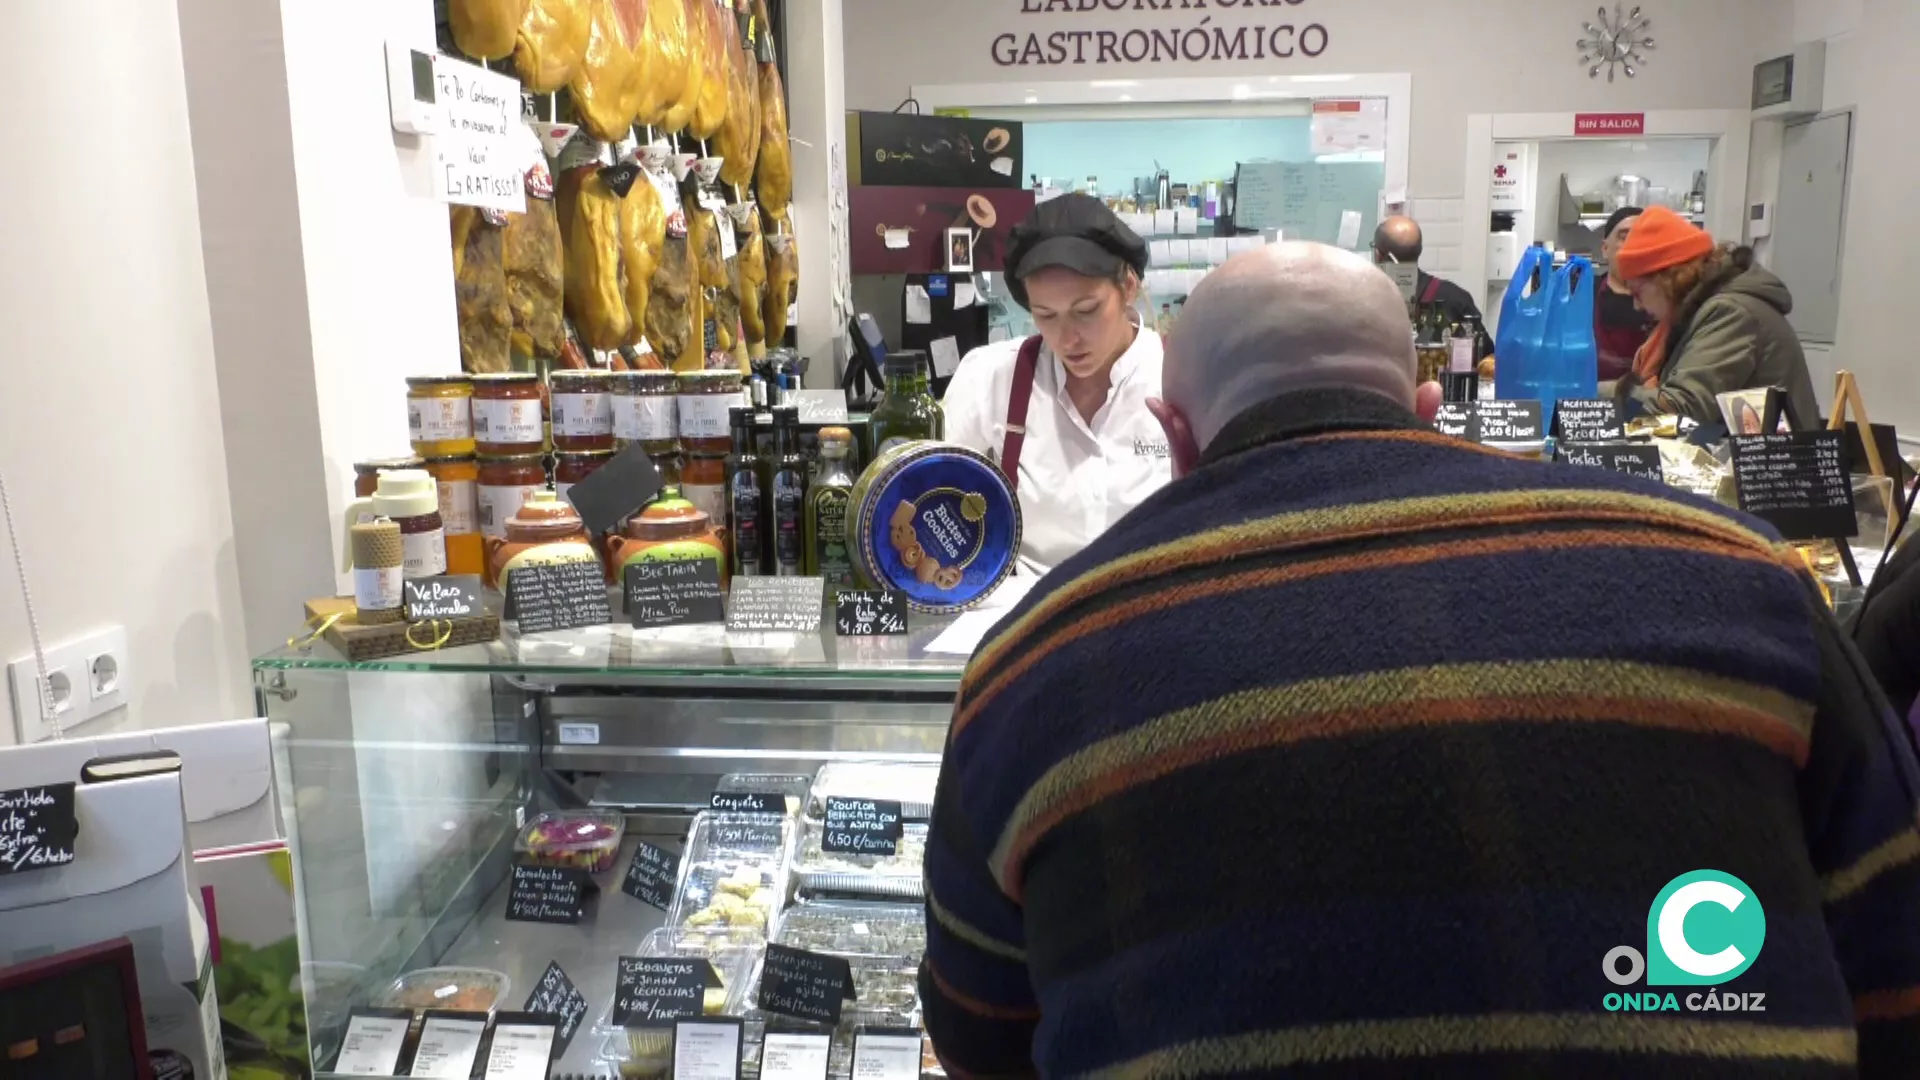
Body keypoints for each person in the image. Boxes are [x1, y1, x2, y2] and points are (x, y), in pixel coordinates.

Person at [921, 240, 1920, 1078]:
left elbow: (981, 1035)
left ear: (1175, 434)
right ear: (1429, 399)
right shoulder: (1738, 573)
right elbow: (1893, 945)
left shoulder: (1035, 659)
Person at [943, 194, 1170, 576]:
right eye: (1045, 315)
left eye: (1086, 311)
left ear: (1128, 286)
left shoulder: (1179, 376)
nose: (1067, 339)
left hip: (1153, 610)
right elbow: (931, 494)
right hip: (1032, 615)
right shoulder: (994, 376)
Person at [1612, 206, 1820, 427]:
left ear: (1665, 279)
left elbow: (1684, 408)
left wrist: (1594, 395)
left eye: (1637, 292)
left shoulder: (1730, 312)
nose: (1636, 305)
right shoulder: (1717, 307)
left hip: (1775, 458)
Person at [1372, 214, 1491, 356]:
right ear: (1420, 251)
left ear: (1378, 255)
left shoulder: (1364, 300)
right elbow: (1487, 358)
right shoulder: (1456, 299)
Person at [1596, 207, 1656, 385]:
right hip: (1588, 404)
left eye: (1641, 237)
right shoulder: (1579, 295)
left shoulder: (1669, 303)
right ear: (1605, 248)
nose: (1633, 244)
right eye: (1624, 236)